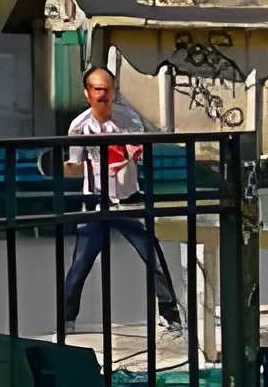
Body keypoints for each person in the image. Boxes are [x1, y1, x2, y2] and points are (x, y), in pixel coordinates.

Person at [60, 67, 185, 337]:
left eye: (107, 90)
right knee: (80, 263)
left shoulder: (128, 119)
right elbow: (76, 165)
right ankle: (67, 318)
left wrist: (125, 156)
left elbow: (134, 152)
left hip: (128, 199)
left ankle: (170, 314)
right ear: (87, 94)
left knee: (153, 257)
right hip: (95, 200)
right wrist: (70, 167)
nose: (103, 96)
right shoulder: (79, 126)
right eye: (97, 90)